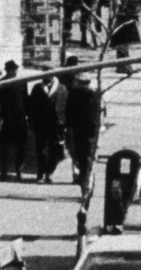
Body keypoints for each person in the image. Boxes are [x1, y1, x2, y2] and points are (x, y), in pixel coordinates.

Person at [63, 64, 103, 192]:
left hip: (85, 132)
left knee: (84, 159)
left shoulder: (92, 96)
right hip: (80, 131)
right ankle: (84, 182)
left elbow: (95, 115)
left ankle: (84, 184)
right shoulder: (76, 94)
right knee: (81, 158)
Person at [0, 61, 28, 179]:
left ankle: (14, 171)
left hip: (15, 119)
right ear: (9, 71)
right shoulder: (1, 84)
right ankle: (9, 171)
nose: (14, 72)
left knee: (17, 147)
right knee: (8, 147)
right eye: (13, 70)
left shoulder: (20, 82)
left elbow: (25, 99)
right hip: (9, 119)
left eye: (14, 70)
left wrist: (28, 117)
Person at [26, 72, 63, 181]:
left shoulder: (61, 89)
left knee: (54, 149)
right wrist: (31, 120)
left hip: (56, 125)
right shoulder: (37, 88)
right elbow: (31, 105)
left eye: (49, 75)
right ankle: (41, 171)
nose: (46, 78)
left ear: (53, 76)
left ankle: (50, 172)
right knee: (40, 149)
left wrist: (63, 123)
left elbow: (65, 106)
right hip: (41, 124)